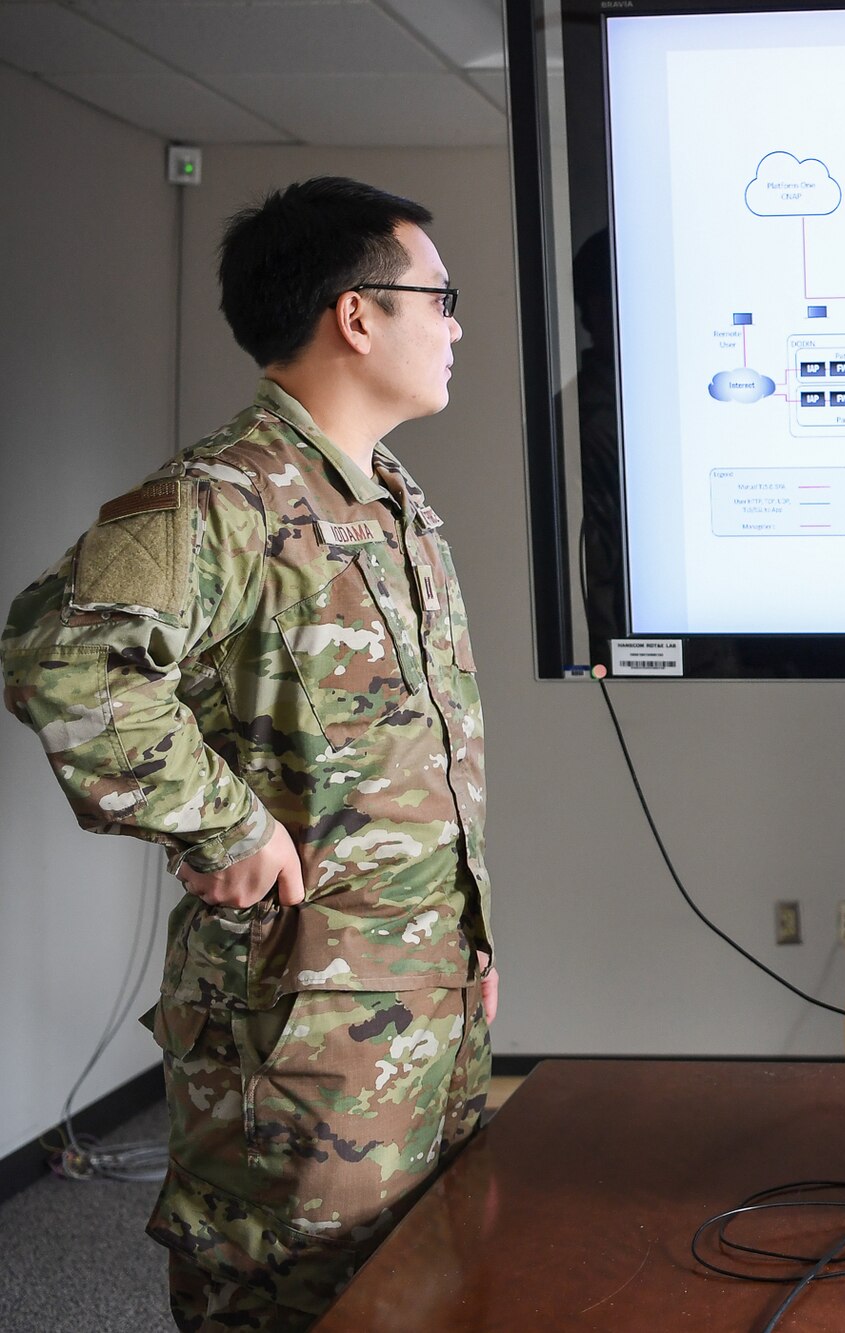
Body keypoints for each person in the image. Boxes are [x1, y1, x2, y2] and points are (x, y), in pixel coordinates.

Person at [2, 176, 498, 1332]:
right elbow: (57, 660)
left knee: (417, 1290)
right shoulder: (224, 497)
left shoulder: (392, 503)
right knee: (294, 1302)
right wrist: (221, 824)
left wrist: (462, 948)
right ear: (356, 312)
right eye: (441, 295)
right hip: (296, 1025)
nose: (456, 324)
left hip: (420, 1002)